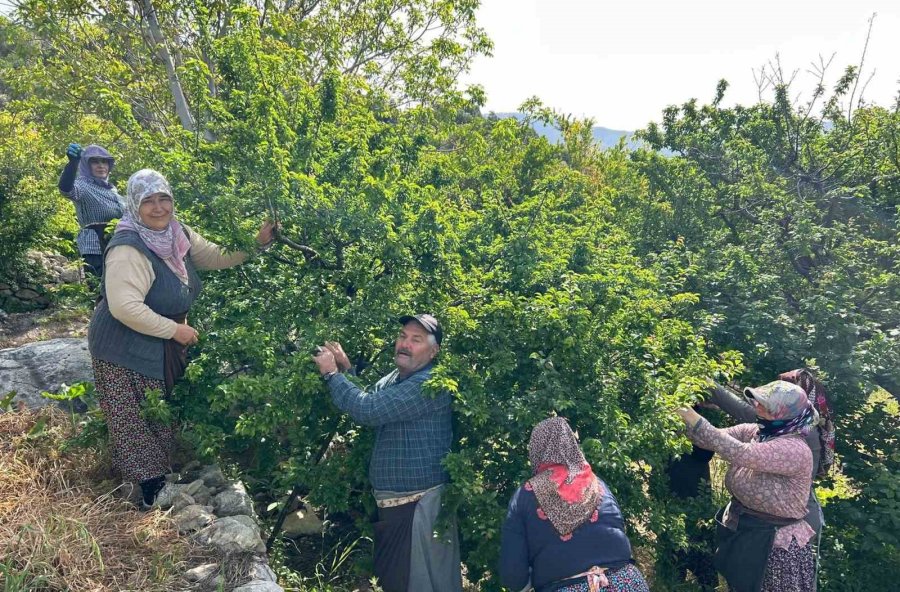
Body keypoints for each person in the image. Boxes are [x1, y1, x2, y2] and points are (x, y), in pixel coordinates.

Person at [88, 169, 274, 508]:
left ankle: (155, 476)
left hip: (157, 339)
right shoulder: (129, 249)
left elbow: (216, 256)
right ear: (134, 205)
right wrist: (176, 330)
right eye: (148, 201)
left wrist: (256, 242)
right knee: (133, 414)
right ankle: (150, 491)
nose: (158, 208)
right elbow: (124, 307)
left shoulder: (177, 234)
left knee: (159, 409)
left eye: (164, 199)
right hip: (121, 346)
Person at [312, 314, 461, 592]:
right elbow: (375, 402)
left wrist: (331, 375)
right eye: (403, 336)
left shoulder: (429, 384)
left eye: (416, 340)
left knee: (416, 583)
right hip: (399, 507)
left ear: (434, 350)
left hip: (419, 506)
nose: (405, 344)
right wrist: (346, 369)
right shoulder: (397, 378)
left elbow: (368, 410)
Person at [677, 380, 818, 592]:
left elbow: (741, 453)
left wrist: (690, 415)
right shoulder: (756, 431)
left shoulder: (794, 449)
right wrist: (675, 420)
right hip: (748, 530)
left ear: (783, 413)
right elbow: (712, 439)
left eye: (766, 405)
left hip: (774, 544)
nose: (757, 406)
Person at [499, 417, 650, 592]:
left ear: (536, 450)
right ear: (572, 445)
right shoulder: (598, 484)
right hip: (626, 583)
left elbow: (513, 574)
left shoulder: (525, 495)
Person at [706, 369, 832, 541]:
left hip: (789, 528)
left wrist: (708, 386)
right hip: (772, 524)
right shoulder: (792, 423)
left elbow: (743, 416)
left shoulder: (794, 429)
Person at [58, 142, 124, 276]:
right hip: (95, 250)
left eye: (104, 162)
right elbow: (66, 189)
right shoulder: (83, 185)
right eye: (95, 162)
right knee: (100, 291)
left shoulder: (112, 190)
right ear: (86, 165)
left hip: (118, 246)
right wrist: (72, 164)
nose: (101, 165)